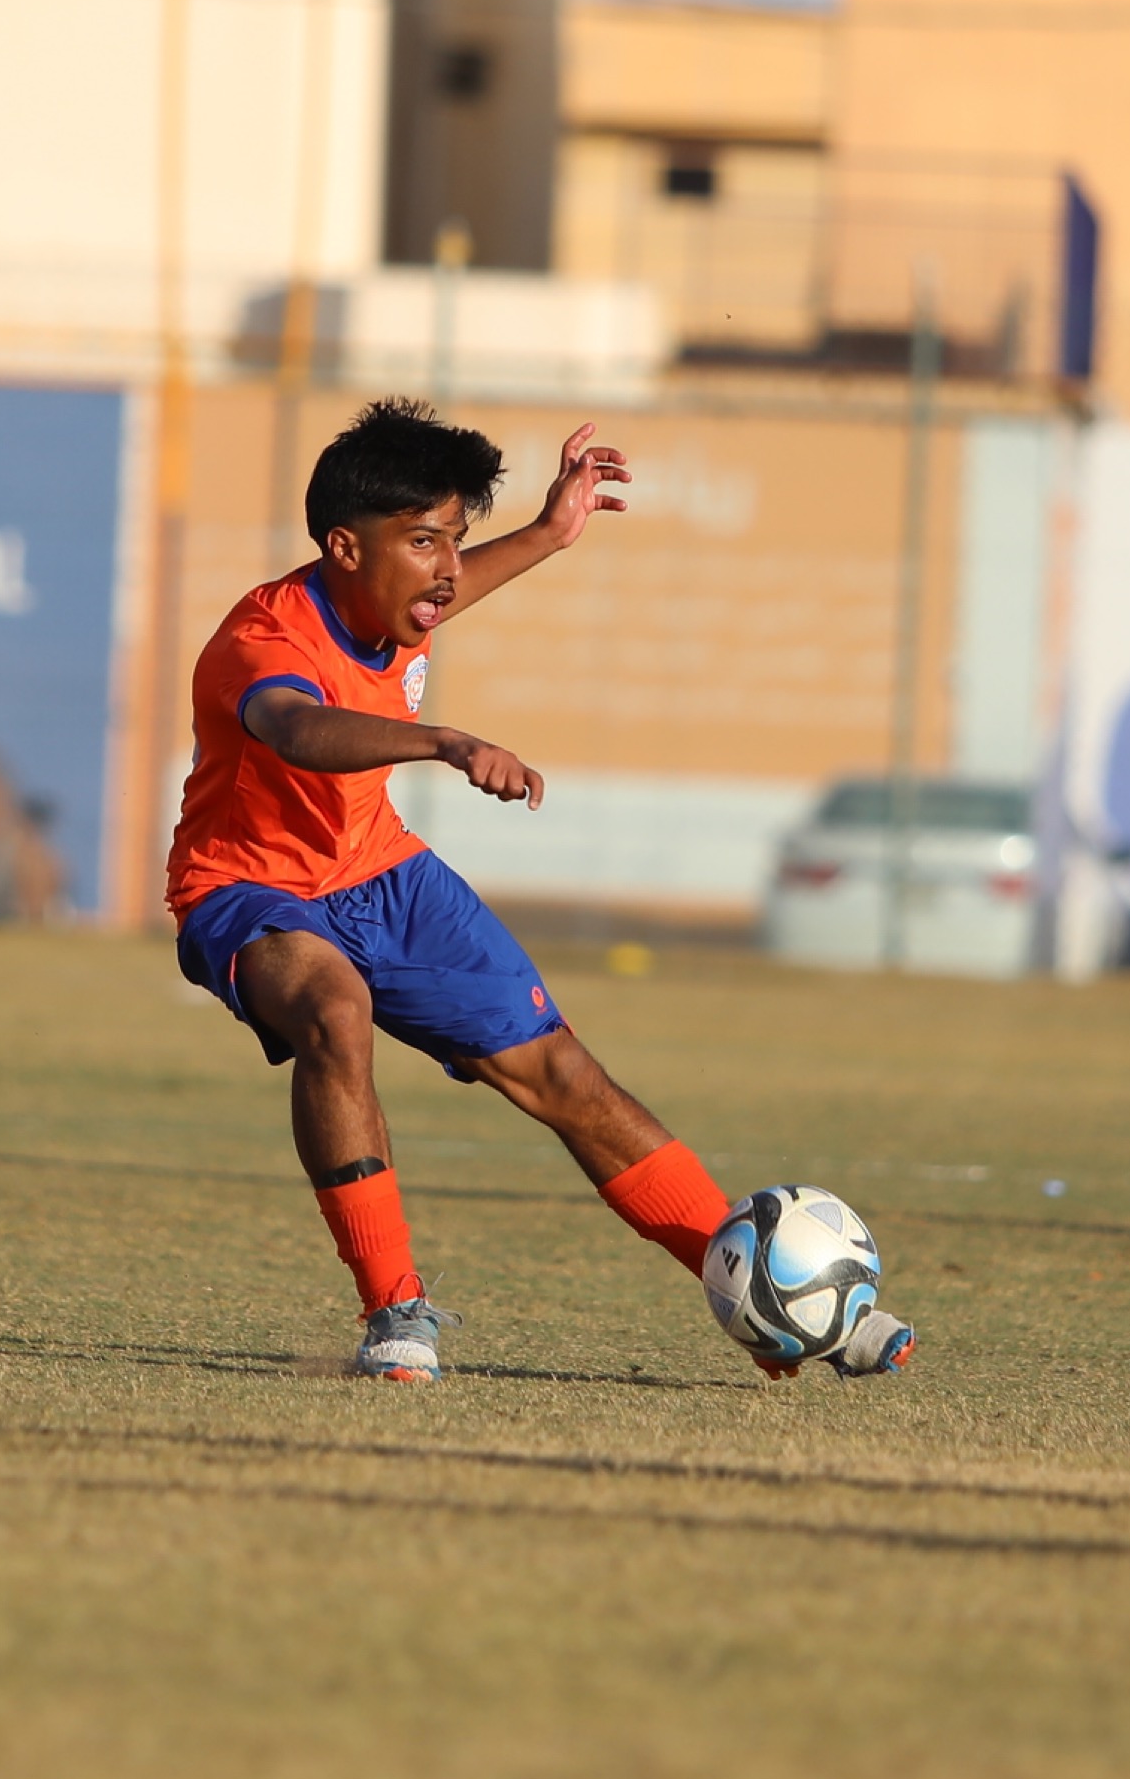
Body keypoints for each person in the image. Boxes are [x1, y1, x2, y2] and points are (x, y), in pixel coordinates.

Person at [169, 398, 910, 1385]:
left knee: (567, 1077)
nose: (444, 567)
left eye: (455, 539)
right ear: (344, 547)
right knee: (334, 1013)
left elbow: (446, 590)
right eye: (423, 540)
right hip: (249, 888)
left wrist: (553, 533)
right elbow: (298, 731)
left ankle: (774, 1296)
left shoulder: (395, 599)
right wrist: (448, 739)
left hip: (380, 870)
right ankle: (395, 1313)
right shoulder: (263, 640)